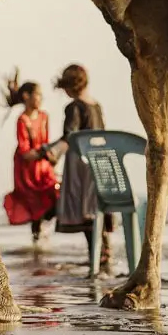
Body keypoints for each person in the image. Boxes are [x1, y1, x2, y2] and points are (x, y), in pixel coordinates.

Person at [48, 64, 115, 275]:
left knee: (84, 210)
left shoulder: (74, 107)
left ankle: (95, 253)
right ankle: (105, 250)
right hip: (101, 160)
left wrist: (49, 152)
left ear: (69, 87)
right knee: (98, 209)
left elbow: (70, 135)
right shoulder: (96, 105)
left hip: (81, 164)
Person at [1, 75, 59, 244]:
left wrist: (50, 157)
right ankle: (37, 240)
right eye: (37, 94)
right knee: (34, 203)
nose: (40, 98)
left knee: (54, 194)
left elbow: (46, 142)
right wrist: (45, 153)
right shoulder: (22, 120)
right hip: (26, 168)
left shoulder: (44, 116)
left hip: (43, 165)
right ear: (27, 96)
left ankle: (42, 231)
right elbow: (25, 150)